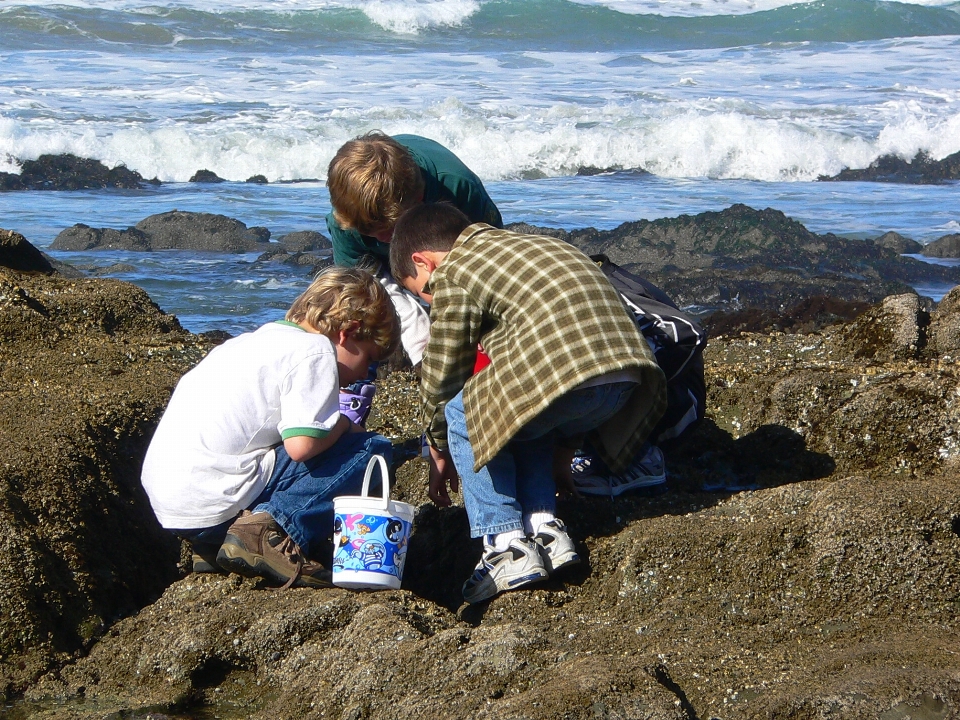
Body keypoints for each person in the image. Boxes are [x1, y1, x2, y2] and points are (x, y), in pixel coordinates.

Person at [389, 203, 667, 604]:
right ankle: (545, 528)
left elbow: (443, 371)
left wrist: (437, 443)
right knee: (521, 417)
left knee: (463, 413)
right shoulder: (540, 245)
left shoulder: (457, 270)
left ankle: (505, 544)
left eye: (425, 292)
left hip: (565, 376)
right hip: (630, 379)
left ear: (423, 262)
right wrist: (565, 453)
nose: (432, 301)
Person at [140, 266, 401, 588]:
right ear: (348, 331)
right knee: (372, 450)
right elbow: (301, 447)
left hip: (177, 509)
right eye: (370, 361)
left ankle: (215, 546)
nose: (366, 375)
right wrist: (345, 424)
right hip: (215, 498)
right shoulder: (315, 350)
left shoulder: (246, 343)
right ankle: (268, 530)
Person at [326, 133, 504, 427]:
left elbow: (491, 260)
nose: (383, 239)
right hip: (380, 261)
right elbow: (356, 288)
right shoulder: (347, 220)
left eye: (388, 229)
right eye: (369, 233)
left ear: (418, 200)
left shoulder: (457, 187)